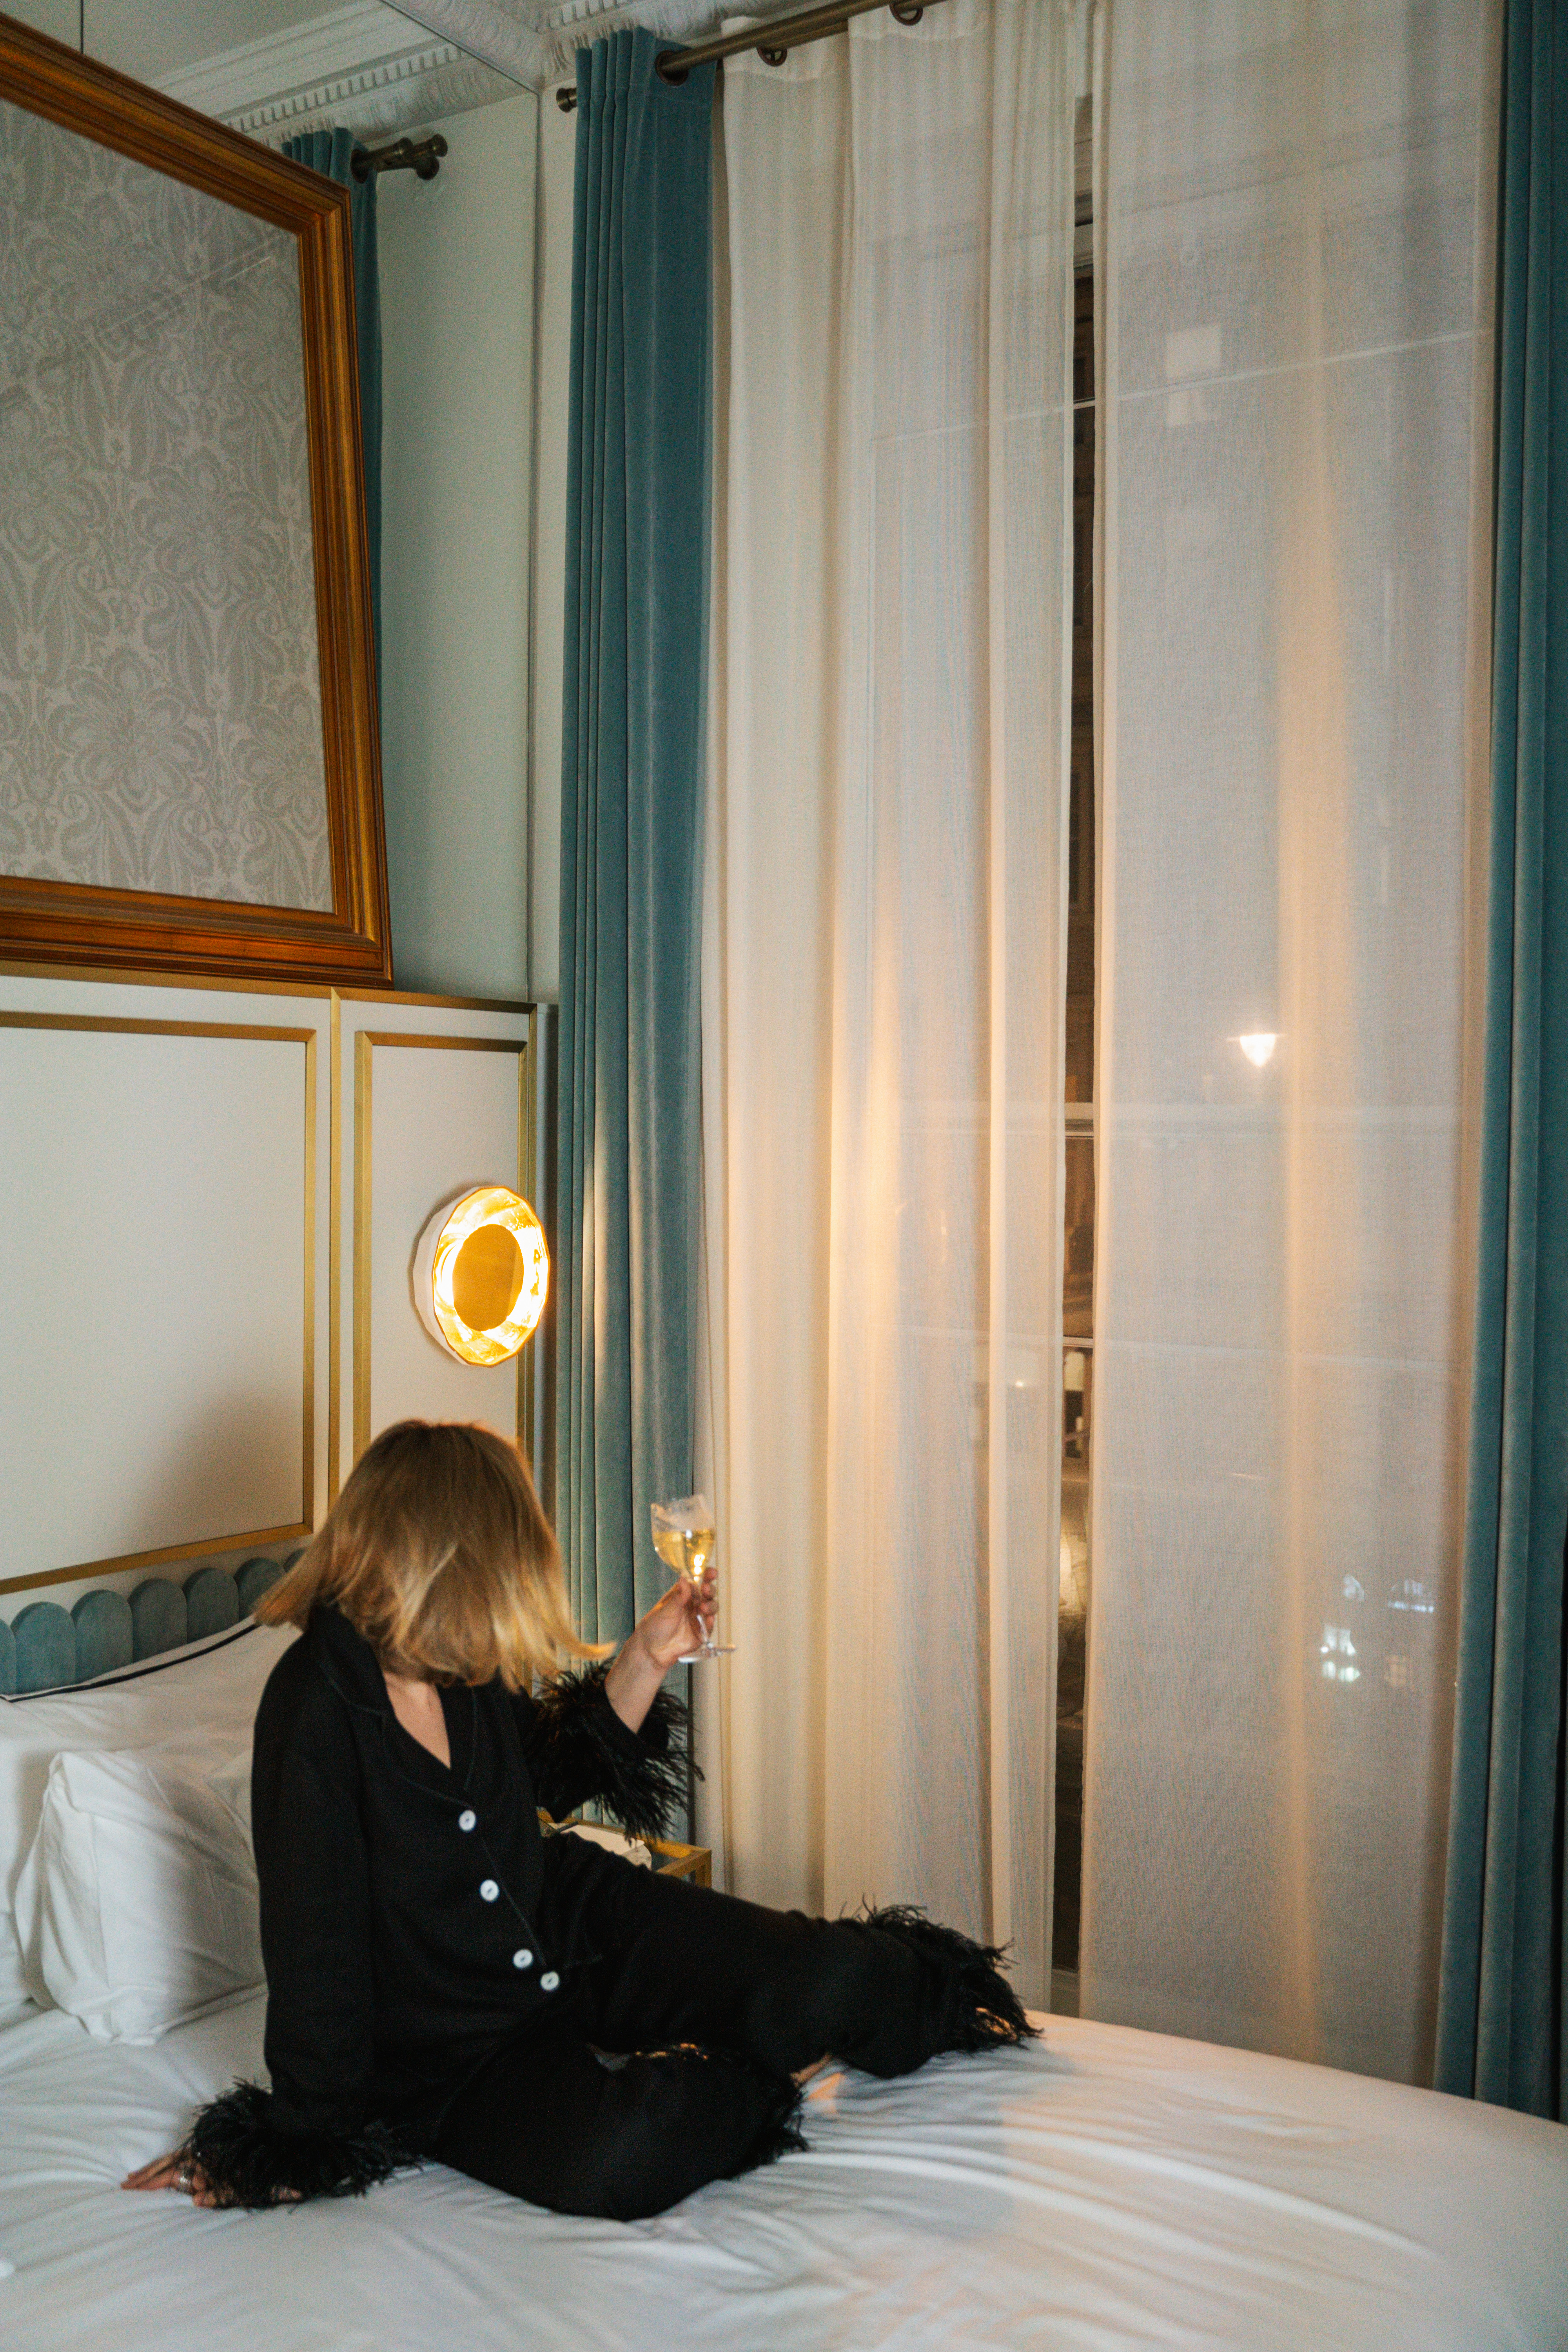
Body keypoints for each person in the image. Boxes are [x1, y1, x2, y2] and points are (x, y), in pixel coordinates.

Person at [123, 1420, 1034, 2223]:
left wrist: (646, 1653)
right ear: (438, 1558)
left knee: (831, 1979)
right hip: (454, 2053)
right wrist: (286, 2146)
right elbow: (313, 1950)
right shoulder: (312, 1712)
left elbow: (544, 1772)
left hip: (572, 1920)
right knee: (619, 2160)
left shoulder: (459, 1657)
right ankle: (763, 2070)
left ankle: (893, 2003)